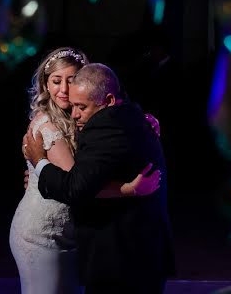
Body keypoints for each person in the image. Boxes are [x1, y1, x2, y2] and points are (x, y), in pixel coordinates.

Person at [9, 48, 161, 294]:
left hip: (73, 233)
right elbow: (76, 186)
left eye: (71, 80)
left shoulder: (83, 115)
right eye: (56, 81)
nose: (64, 90)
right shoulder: (47, 124)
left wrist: (142, 122)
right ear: (45, 86)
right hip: (43, 233)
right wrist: (130, 189)